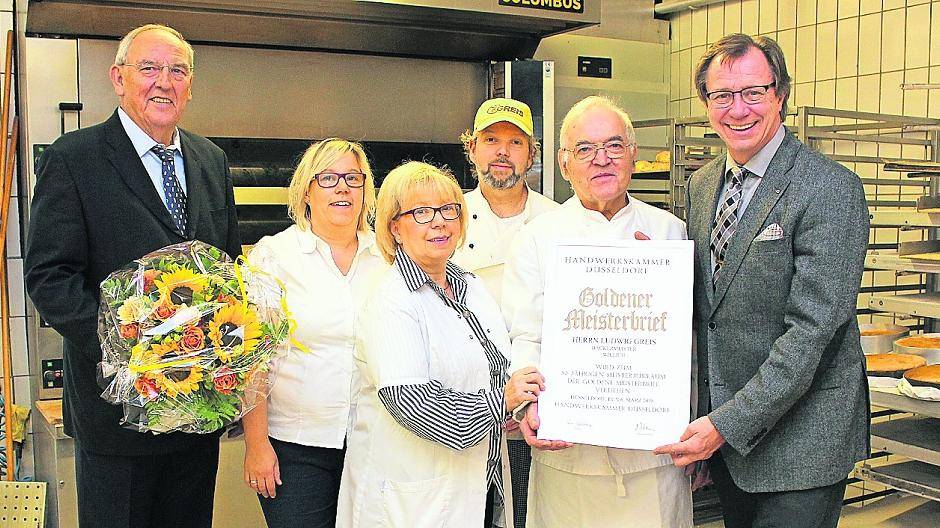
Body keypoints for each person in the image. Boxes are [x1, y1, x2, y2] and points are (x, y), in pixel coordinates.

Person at [24, 24, 240, 528]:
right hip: (115, 415)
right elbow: (50, 277)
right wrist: (132, 348)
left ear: (189, 86)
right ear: (118, 79)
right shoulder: (74, 159)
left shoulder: (211, 161)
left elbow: (228, 268)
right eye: (149, 69)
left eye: (177, 71)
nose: (164, 82)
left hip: (196, 410)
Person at [652, 33, 870, 528]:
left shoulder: (829, 188)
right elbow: (710, 313)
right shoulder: (703, 183)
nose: (738, 109)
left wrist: (723, 426)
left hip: (802, 444)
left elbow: (811, 333)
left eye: (753, 92)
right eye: (722, 95)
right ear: (706, 102)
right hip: (731, 443)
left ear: (780, 94)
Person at [502, 95, 693, 528]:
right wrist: (525, 405)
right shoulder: (537, 237)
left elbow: (689, 343)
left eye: (613, 145)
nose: (600, 160)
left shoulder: (670, 232)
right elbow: (523, 334)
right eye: (584, 149)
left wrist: (693, 424)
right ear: (564, 163)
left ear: (632, 155)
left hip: (654, 459)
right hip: (570, 458)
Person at [337, 161, 510, 527]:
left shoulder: (471, 286)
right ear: (394, 228)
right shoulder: (392, 300)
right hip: (415, 499)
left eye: (449, 210)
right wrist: (503, 404)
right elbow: (411, 402)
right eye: (421, 212)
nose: (439, 222)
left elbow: (498, 369)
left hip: (479, 484)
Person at [241, 138, 387, 527]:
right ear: (307, 191)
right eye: (328, 178)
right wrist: (256, 444)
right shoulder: (273, 257)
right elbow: (252, 360)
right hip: (296, 448)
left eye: (352, 178)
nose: (342, 187)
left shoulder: (388, 259)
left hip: (375, 443)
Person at [452, 97, 558, 528]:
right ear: (472, 148)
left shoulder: (557, 221)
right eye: (491, 139)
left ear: (531, 155)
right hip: (463, 404)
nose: (502, 151)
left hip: (535, 402)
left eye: (515, 142)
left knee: (527, 516)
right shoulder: (446, 215)